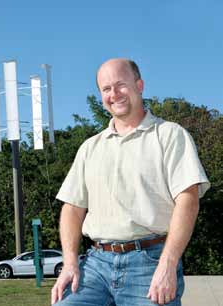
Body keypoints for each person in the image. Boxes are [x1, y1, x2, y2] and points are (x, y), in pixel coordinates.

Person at [50, 58, 210, 306]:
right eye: (106, 89)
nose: (114, 94)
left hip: (150, 262)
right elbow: (72, 207)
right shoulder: (90, 147)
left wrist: (168, 264)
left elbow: (187, 201)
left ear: (140, 85)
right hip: (95, 265)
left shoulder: (169, 135)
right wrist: (70, 263)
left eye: (120, 85)